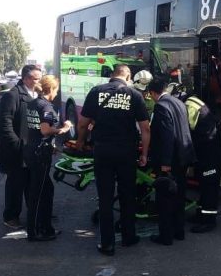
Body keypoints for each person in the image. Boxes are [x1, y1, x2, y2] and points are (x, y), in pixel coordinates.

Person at [76, 64, 150, 256]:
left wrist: (80, 143)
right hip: (126, 151)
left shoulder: (96, 92)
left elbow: (83, 124)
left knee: (105, 197)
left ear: (112, 75)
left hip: (103, 150)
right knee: (127, 194)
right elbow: (145, 128)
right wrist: (144, 154)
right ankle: (128, 236)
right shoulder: (134, 95)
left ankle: (107, 243)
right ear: (128, 76)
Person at [148, 77, 196, 246]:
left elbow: (167, 136)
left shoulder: (161, 106)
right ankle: (179, 231)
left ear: (153, 93)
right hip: (183, 156)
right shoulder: (179, 103)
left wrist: (165, 162)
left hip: (170, 159)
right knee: (180, 196)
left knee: (165, 199)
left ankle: (165, 236)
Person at [24, 75, 71, 241]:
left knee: (46, 189)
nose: (57, 93)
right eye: (56, 90)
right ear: (50, 89)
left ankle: (45, 226)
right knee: (38, 192)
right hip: (39, 154)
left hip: (32, 149)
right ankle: (36, 230)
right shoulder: (46, 106)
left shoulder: (33, 103)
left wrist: (51, 145)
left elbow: (34, 129)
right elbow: (44, 130)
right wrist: (63, 129)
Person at [0, 65, 42, 229]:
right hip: (17, 151)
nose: (39, 81)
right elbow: (4, 125)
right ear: (26, 79)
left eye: (40, 78)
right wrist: (18, 145)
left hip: (32, 149)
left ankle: (35, 213)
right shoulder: (12, 95)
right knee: (15, 186)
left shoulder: (37, 94)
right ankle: (11, 216)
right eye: (36, 78)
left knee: (33, 184)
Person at [185, 95, 221, 233]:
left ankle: (209, 221)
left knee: (209, 189)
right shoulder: (193, 104)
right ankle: (201, 215)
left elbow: (187, 133)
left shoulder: (189, 107)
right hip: (206, 154)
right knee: (204, 186)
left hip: (210, 155)